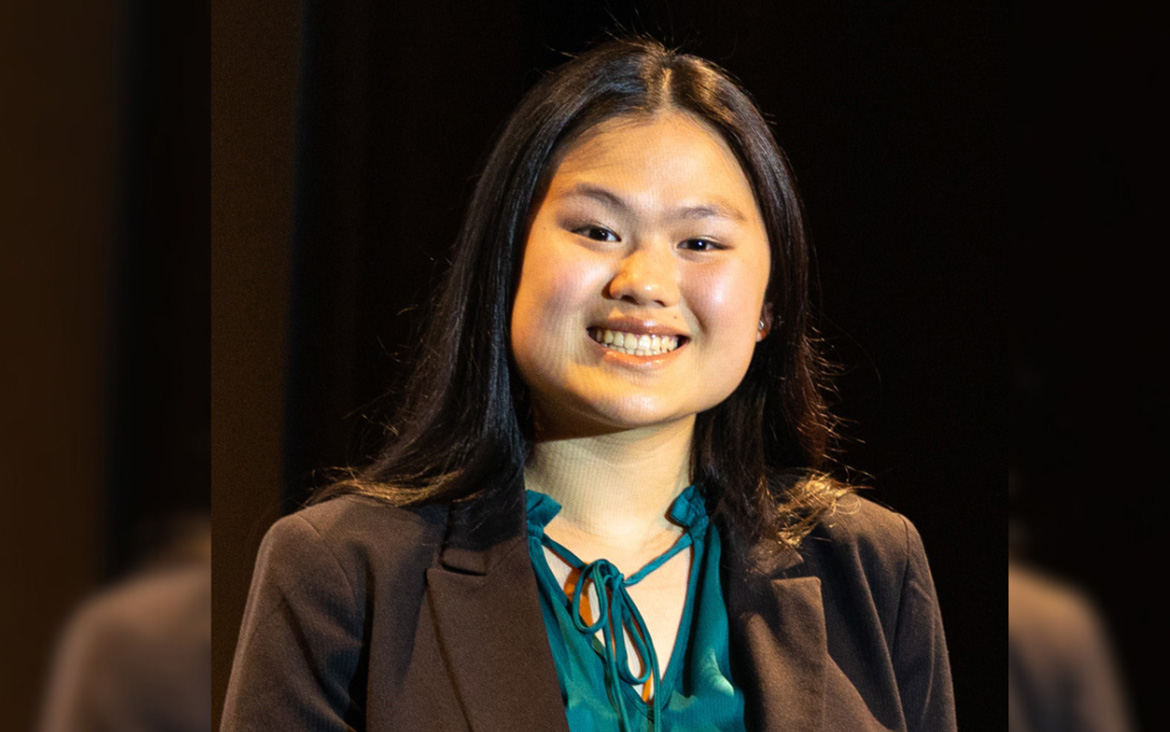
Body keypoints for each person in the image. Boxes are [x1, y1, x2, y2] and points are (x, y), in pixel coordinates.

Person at [221, 37, 956, 732]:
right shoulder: (344, 571)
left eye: (700, 242)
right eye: (598, 231)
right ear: (507, 257)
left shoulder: (870, 566)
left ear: (769, 306)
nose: (644, 282)